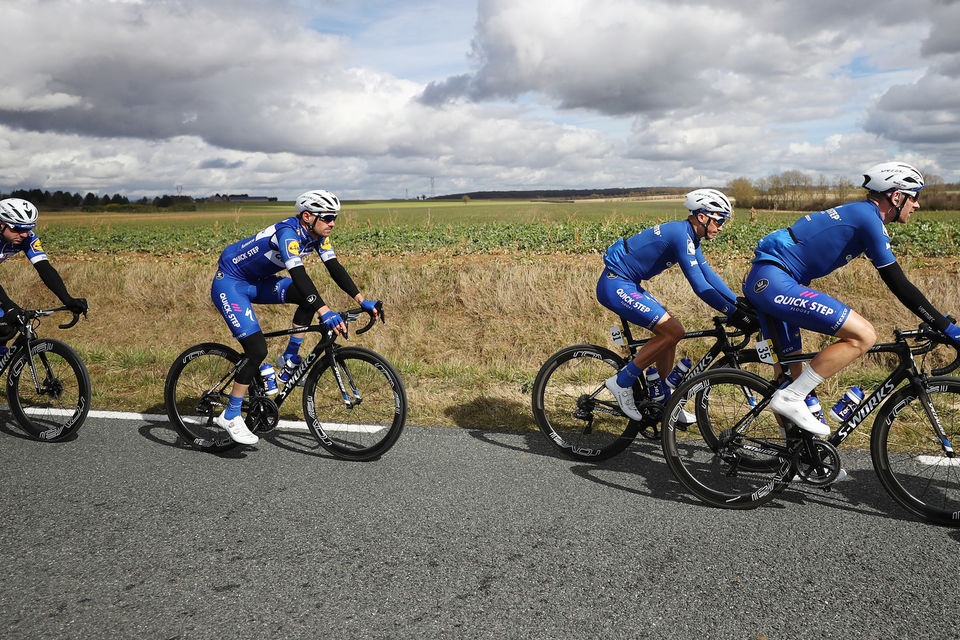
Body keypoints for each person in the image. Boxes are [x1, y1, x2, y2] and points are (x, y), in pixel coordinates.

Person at [743, 161, 960, 437]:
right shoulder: (869, 219)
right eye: (914, 196)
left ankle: (798, 457)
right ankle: (791, 398)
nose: (916, 205)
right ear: (896, 196)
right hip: (774, 281)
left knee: (789, 374)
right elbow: (898, 283)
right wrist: (945, 326)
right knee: (863, 335)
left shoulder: (860, 214)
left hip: (769, 279)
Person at [211, 189, 380, 445]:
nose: (332, 223)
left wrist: (361, 300)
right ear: (307, 216)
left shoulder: (316, 236)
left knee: (306, 298)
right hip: (231, 283)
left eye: (335, 217)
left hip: (257, 281)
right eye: (327, 218)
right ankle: (231, 413)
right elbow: (300, 277)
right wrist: (325, 312)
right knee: (256, 349)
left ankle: (289, 360)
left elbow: (335, 268)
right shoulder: (288, 234)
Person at [597, 188, 750, 420]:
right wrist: (735, 313)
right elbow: (699, 285)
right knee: (673, 331)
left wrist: (738, 303)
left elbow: (709, 276)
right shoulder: (681, 235)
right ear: (702, 216)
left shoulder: (689, 237)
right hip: (615, 284)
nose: (721, 228)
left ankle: (663, 399)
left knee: (672, 332)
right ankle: (622, 382)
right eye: (719, 221)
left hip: (627, 283)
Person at [0, 198, 88, 346]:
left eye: (28, 229)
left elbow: (45, 269)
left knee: (5, 328)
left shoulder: (28, 239)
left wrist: (67, 299)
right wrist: (9, 306)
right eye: (17, 229)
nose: (24, 235)